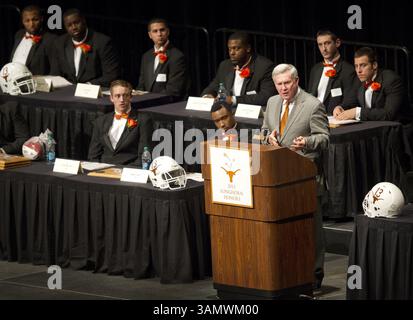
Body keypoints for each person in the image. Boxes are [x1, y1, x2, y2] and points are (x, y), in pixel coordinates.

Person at [262, 64, 329, 290]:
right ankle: (289, 274)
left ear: (296, 81)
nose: (283, 88)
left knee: (310, 230)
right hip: (278, 178)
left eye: (287, 83)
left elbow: (324, 138)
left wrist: (307, 141)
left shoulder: (312, 105)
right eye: (279, 84)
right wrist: (267, 138)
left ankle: (314, 277)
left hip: (306, 177)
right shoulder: (271, 103)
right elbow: (263, 130)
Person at [201, 32, 276, 108]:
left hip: (251, 113)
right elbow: (214, 86)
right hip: (229, 111)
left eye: (236, 48)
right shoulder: (225, 65)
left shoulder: (264, 67)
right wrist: (207, 95)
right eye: (229, 49)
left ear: (248, 48)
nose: (232, 53)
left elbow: (266, 96)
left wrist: (234, 100)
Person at [88, 80, 152, 166]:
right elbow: (93, 155)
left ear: (130, 97)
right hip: (103, 170)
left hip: (129, 170)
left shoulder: (143, 120)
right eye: (117, 96)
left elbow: (145, 155)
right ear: (111, 98)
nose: (122, 100)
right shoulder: (101, 121)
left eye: (125, 95)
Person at [334, 47, 407, 121]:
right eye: (356, 66)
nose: (359, 71)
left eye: (363, 65)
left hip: (395, 128)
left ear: (374, 65)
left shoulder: (391, 80)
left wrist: (357, 112)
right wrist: (341, 107)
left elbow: (388, 115)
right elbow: (352, 100)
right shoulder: (359, 79)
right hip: (371, 126)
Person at [52, 8, 120, 87]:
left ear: (84, 21)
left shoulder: (102, 42)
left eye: (76, 23)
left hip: (93, 91)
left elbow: (111, 75)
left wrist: (87, 86)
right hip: (67, 91)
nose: (74, 27)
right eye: (69, 25)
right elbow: (55, 73)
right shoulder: (59, 43)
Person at [307, 30, 359, 115]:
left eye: (327, 43)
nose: (324, 49)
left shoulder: (348, 70)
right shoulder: (315, 69)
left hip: (334, 118)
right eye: (320, 44)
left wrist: (341, 107)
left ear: (337, 43)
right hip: (313, 117)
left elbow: (351, 99)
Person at [137, 18, 188, 99]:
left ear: (168, 32)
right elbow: (141, 85)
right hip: (146, 103)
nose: (159, 34)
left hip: (166, 104)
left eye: (162, 30)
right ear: (150, 35)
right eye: (155, 31)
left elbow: (174, 89)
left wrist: (151, 100)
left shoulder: (177, 56)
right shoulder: (146, 56)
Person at [10, 5, 57, 75]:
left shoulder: (50, 39)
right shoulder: (19, 35)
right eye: (27, 21)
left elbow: (55, 70)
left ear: (41, 19)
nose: (31, 24)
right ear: (22, 21)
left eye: (35, 20)